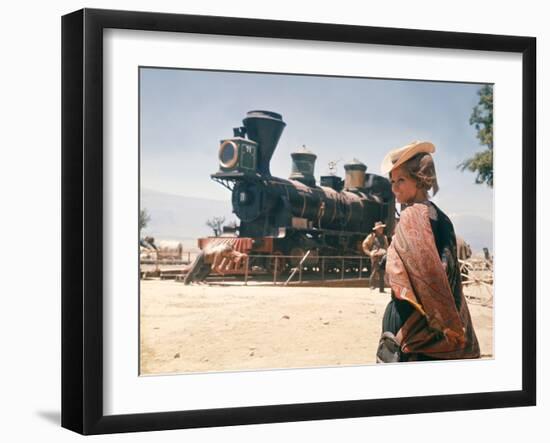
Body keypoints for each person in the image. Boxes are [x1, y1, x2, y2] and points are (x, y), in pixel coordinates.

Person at [376, 141, 480, 363]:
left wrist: (443, 322)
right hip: (444, 324)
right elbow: (448, 274)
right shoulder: (442, 218)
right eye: (393, 182)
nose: (394, 188)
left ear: (421, 178)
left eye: (401, 180)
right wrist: (452, 324)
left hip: (410, 321)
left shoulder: (411, 215)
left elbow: (426, 276)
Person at [362, 221, 389, 292]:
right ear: (376, 229)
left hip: (382, 256)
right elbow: (364, 245)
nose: (381, 229)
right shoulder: (372, 236)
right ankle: (371, 286)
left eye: (382, 228)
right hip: (375, 256)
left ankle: (381, 288)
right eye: (380, 228)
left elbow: (386, 246)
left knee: (382, 272)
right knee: (374, 271)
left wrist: (386, 253)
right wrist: (369, 253)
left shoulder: (384, 237)